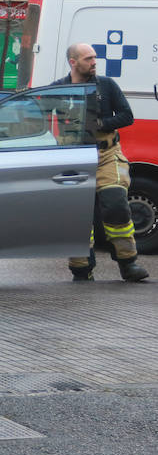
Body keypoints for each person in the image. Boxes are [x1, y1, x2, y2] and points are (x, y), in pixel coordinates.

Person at [52, 42, 149, 283]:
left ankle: (128, 263)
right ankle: (81, 269)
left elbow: (127, 116)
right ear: (73, 62)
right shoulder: (57, 89)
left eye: (95, 58)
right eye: (88, 59)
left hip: (106, 154)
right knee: (75, 213)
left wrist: (100, 125)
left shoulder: (106, 85)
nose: (94, 62)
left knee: (115, 203)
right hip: (72, 157)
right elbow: (37, 119)